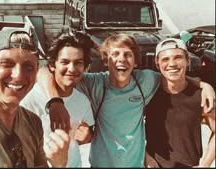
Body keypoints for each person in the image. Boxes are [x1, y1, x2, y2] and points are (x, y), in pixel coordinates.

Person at [37, 34, 215, 167]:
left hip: (135, 165)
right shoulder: (94, 82)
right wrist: (55, 102)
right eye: (115, 54)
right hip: (101, 165)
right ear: (106, 61)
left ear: (136, 62)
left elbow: (172, 75)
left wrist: (203, 85)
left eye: (127, 54)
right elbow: (45, 71)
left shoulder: (146, 80)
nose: (121, 59)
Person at [0, 28, 70, 168]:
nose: (18, 76)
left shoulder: (32, 122)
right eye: (7, 64)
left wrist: (58, 163)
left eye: (28, 67)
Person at [20, 30, 95, 167]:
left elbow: (86, 136)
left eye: (78, 63)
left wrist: (87, 137)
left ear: (86, 68)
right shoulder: (30, 100)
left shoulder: (83, 101)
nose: (71, 69)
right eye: (65, 62)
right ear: (52, 65)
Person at [144, 38, 215, 168]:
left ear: (188, 60)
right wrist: (145, 157)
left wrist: (205, 164)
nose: (172, 64)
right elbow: (129, 130)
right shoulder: (149, 92)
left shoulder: (200, 95)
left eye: (178, 58)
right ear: (157, 63)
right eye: (165, 59)